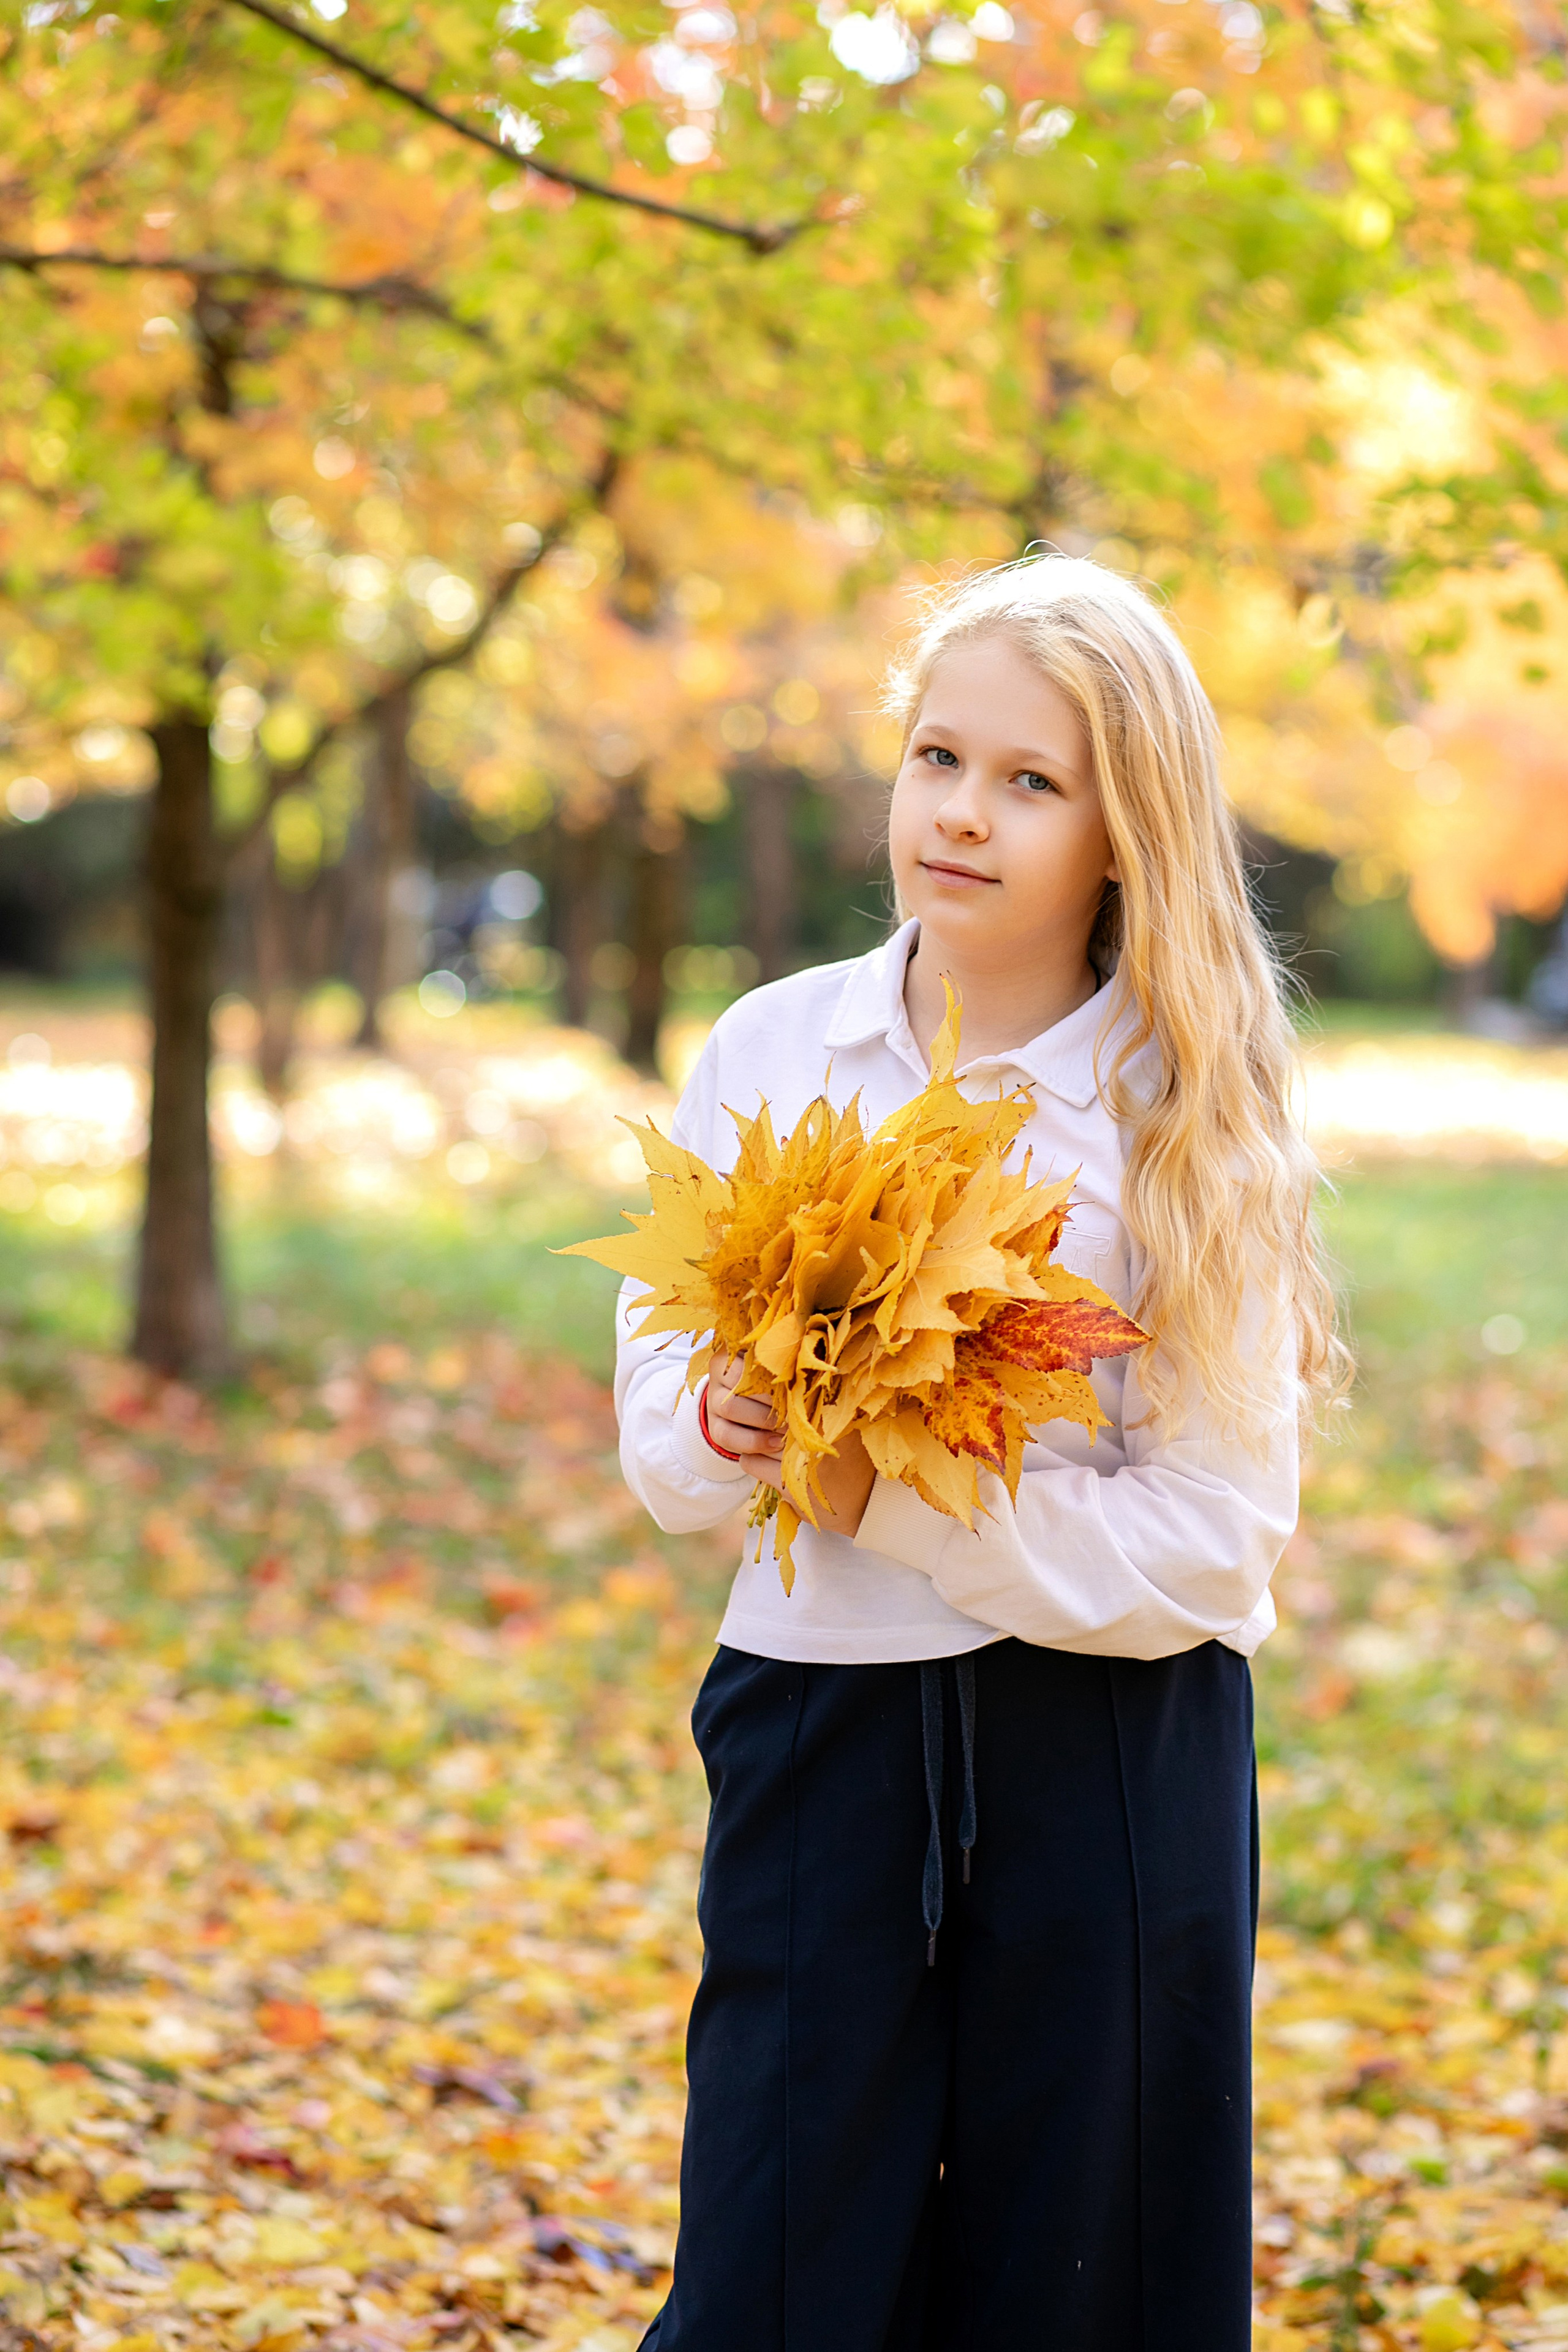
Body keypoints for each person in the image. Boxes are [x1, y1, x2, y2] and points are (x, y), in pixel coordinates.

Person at [614, 555, 1344, 2351]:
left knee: (1086, 2279)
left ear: (1126, 828)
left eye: (1033, 782)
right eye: (939, 758)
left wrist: (926, 1509)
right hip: (817, 1728)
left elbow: (1216, 1537)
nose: (963, 814)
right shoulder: (773, 1047)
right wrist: (723, 1424)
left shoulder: (1183, 1117)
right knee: (782, 2279)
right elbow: (660, 1423)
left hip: (1109, 1750)